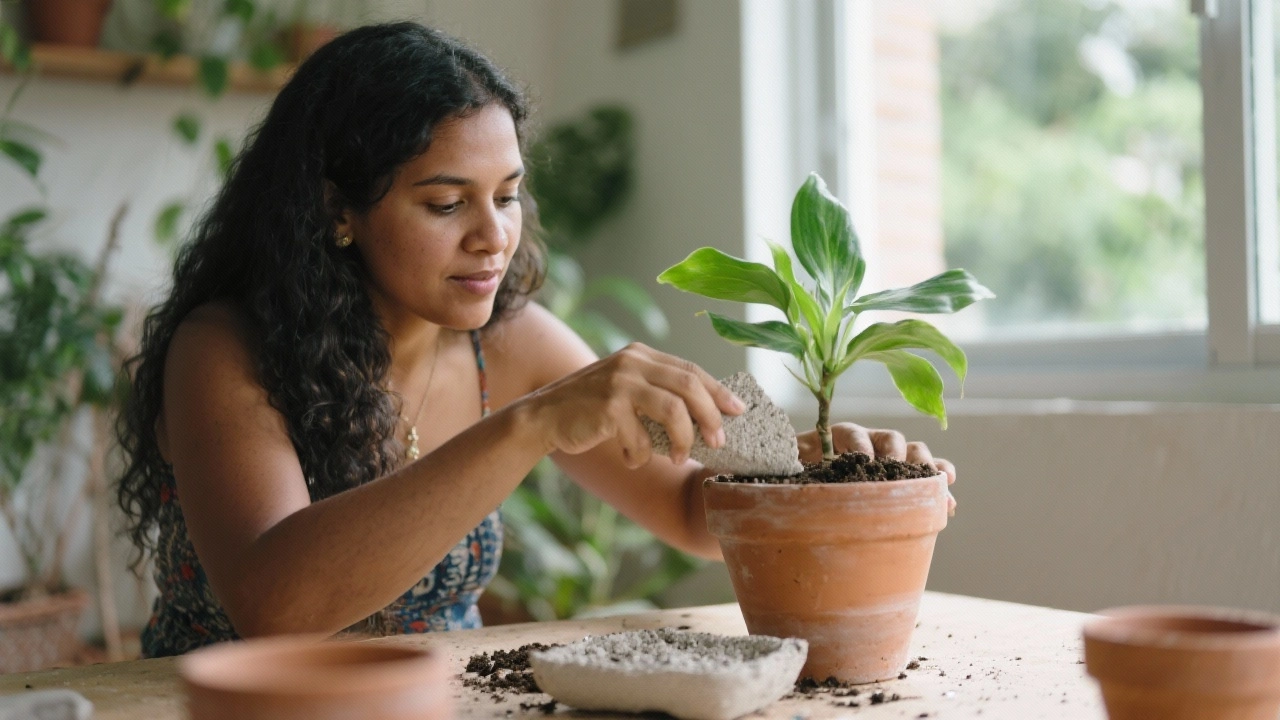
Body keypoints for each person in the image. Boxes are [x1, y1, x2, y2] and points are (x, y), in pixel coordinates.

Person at [116, 22, 957, 659]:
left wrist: (819, 463)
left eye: (507, 196)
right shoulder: (222, 349)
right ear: (338, 211)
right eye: (447, 204)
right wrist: (530, 424)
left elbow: (694, 508)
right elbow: (277, 605)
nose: (494, 237)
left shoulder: (510, 341)